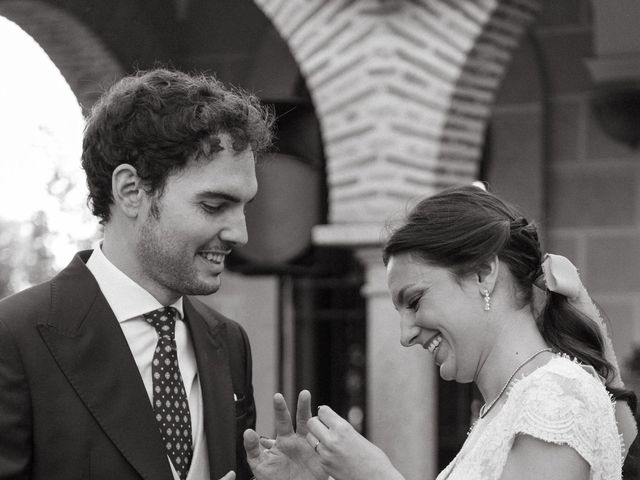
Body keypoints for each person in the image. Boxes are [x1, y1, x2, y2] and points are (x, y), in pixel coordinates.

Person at [243, 186, 637, 480]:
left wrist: (377, 476)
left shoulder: (553, 397)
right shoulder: (506, 408)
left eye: (414, 301)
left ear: (483, 272)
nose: (405, 335)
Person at [0, 68, 273, 480]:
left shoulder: (230, 343)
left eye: (244, 207)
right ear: (131, 190)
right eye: (215, 206)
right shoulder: (14, 338)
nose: (240, 233)